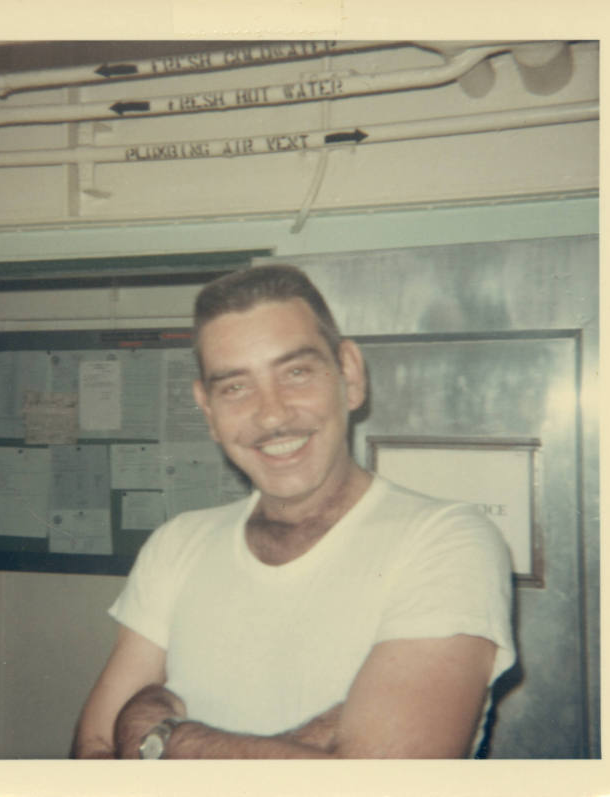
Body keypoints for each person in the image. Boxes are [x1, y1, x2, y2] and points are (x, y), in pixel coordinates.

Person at [72, 264, 515, 759]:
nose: (273, 414)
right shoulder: (177, 544)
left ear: (349, 375)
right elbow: (93, 752)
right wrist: (309, 749)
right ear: (208, 411)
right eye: (235, 387)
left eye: (296, 373)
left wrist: (164, 738)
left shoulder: (444, 541)